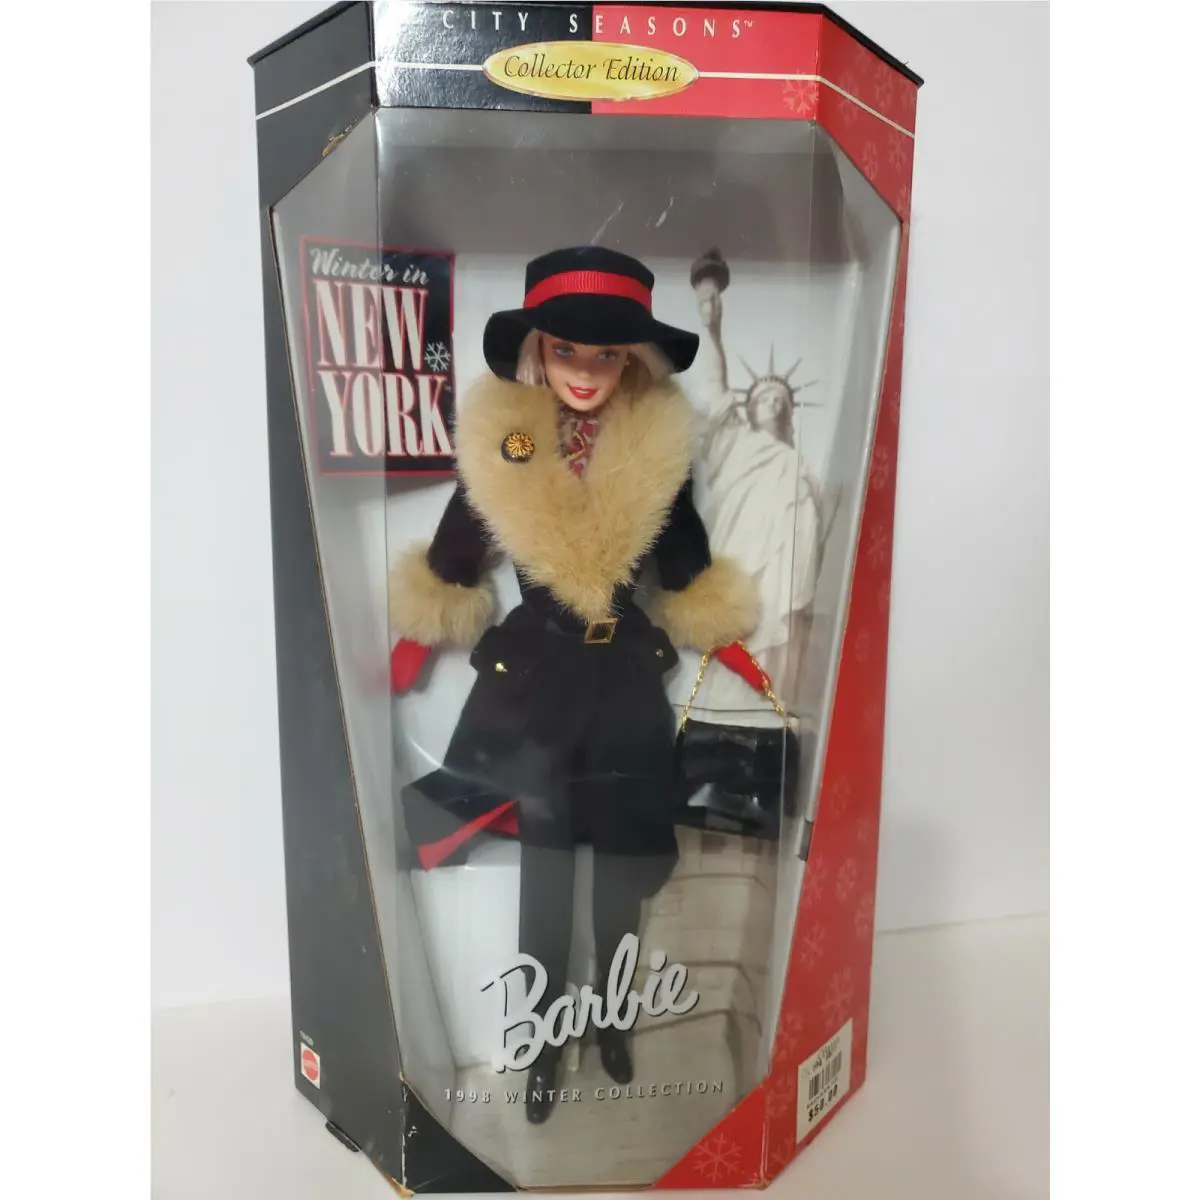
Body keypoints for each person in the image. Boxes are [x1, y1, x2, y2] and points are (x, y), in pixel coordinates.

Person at [387, 246, 763, 1124]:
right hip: (541, 690)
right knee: (547, 875)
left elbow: (685, 561)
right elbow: (462, 540)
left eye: (607, 354)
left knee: (622, 869)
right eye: (567, 350)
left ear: (632, 359)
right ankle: (545, 1039)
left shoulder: (654, 456)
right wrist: (419, 635)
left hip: (625, 682)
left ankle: (616, 1019)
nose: (586, 372)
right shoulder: (513, 444)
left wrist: (730, 639)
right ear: (538, 351)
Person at [687, 249, 829, 720]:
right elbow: (715, 383)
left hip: (787, 567)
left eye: (782, 398)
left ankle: (772, 704)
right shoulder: (736, 442)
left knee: (782, 621)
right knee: (741, 626)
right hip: (742, 553)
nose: (775, 402)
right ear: (748, 409)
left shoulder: (799, 466)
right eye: (766, 396)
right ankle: (726, 708)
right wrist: (712, 328)